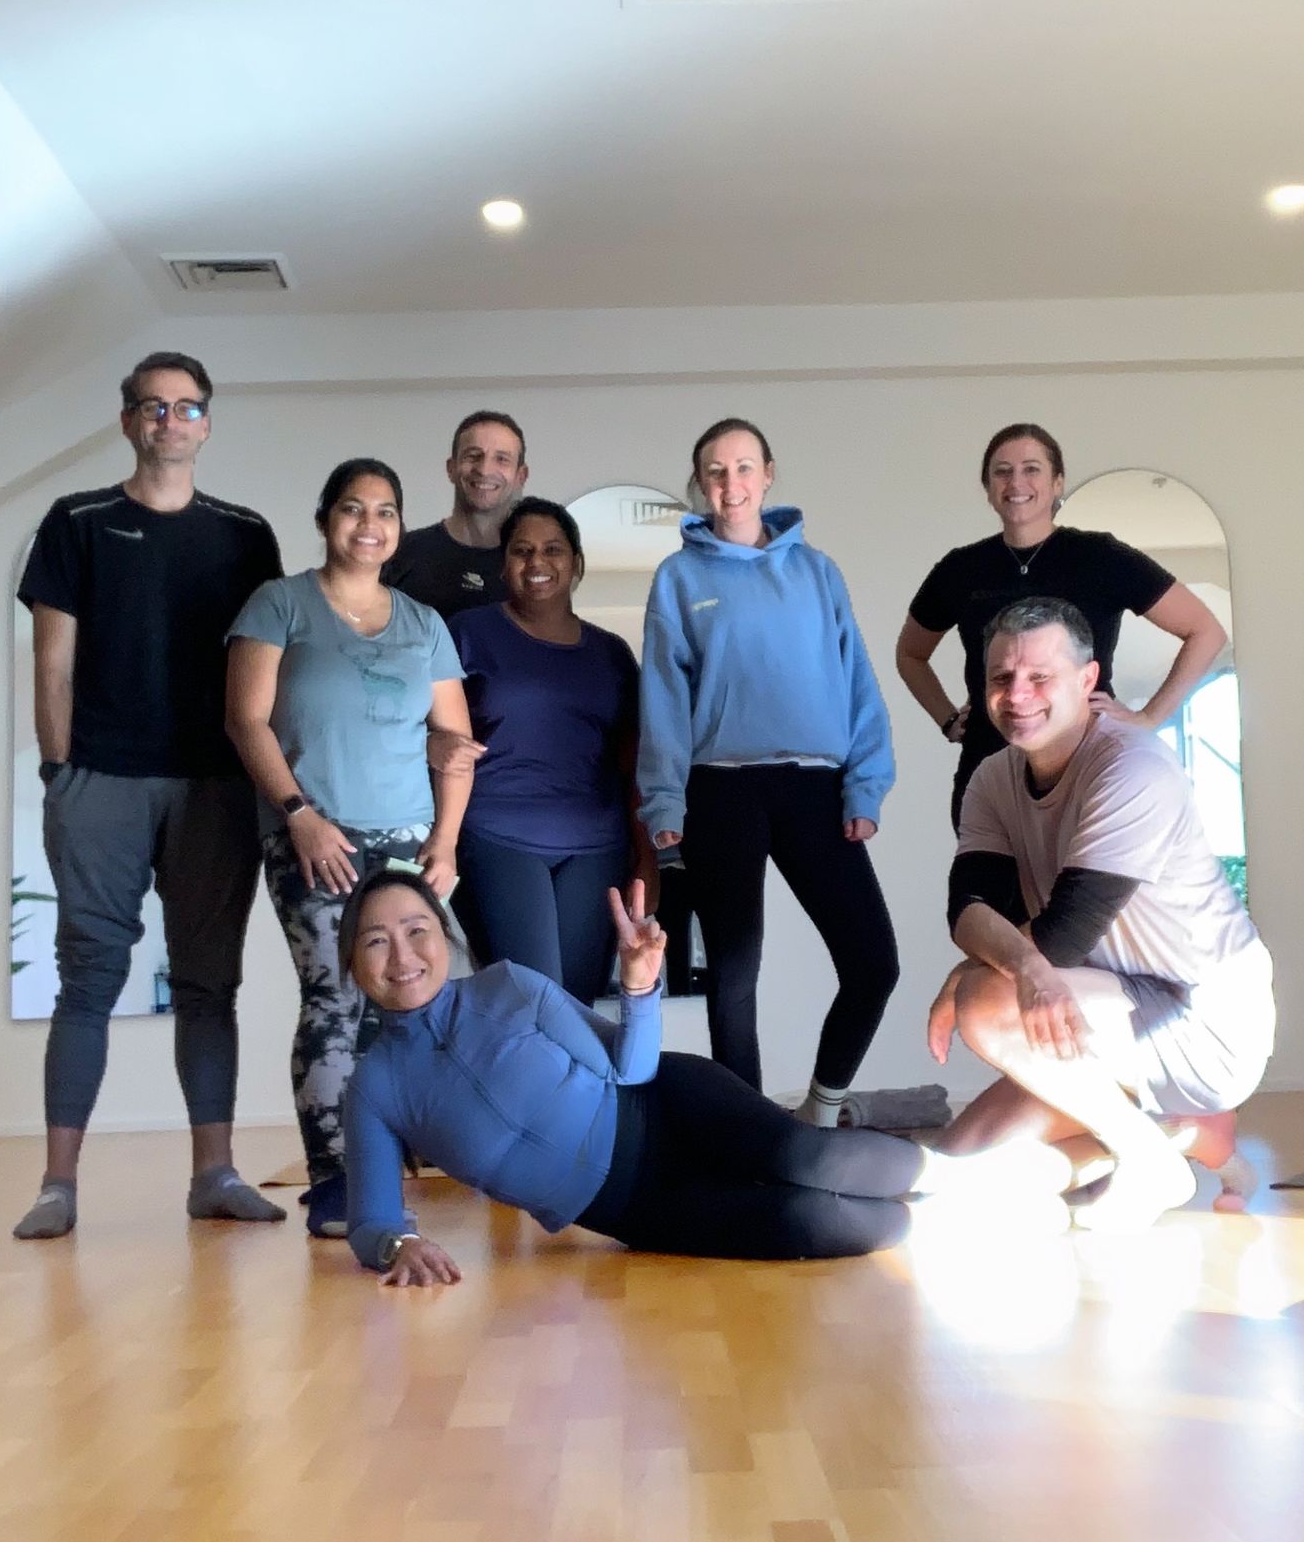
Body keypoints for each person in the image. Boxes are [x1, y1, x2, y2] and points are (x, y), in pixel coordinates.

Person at [339, 869, 926, 1283]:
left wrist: (639, 986)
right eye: (376, 941)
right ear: (353, 963)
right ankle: (929, 1220)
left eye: (416, 929)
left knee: (808, 1159)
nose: (402, 956)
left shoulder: (508, 985)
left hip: (670, 1106)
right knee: (807, 1221)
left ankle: (943, 1171)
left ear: (444, 934)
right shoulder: (375, 1087)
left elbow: (631, 1067)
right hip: (636, 1206)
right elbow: (372, 1222)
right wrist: (399, 1246)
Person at [13, 353, 285, 1240]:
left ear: (208, 423)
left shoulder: (246, 535)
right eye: (154, 407)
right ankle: (58, 1186)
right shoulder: (78, 522)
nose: (170, 420)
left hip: (216, 787)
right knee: (88, 980)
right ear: (128, 420)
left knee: (209, 984)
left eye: (187, 406)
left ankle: (215, 1173)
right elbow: (52, 663)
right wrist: (60, 772)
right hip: (101, 782)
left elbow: (265, 667)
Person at [930, 595, 1273, 1229]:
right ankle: (1186, 1136)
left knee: (985, 998)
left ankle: (1150, 1157)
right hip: (1097, 1004)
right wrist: (983, 957)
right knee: (956, 1166)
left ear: (1088, 680)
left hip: (1203, 1018)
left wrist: (981, 969)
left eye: (1040, 677)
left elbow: (1061, 937)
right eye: (1002, 677)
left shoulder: (1133, 767)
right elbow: (969, 910)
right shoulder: (992, 778)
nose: (1017, 694)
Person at [226, 458, 475, 1237]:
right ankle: (335, 1182)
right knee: (335, 999)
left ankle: (399, 1166)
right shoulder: (280, 604)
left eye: (386, 511)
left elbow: (455, 743)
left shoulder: (422, 623)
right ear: (325, 518)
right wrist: (298, 814)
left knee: (412, 1000)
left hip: (407, 838)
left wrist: (445, 843)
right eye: (353, 508)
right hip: (314, 833)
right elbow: (245, 721)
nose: (370, 525)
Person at [638, 418, 900, 1125]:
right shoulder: (679, 577)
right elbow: (663, 697)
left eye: (744, 467)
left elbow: (857, 681)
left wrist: (865, 784)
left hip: (815, 785)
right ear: (702, 483)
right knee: (733, 974)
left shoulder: (817, 571)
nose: (732, 484)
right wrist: (663, 803)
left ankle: (820, 1111)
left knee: (873, 963)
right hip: (719, 788)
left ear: (768, 474)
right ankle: (746, 1132)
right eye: (716, 471)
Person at [897, 422, 1228, 826]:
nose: (1016, 482)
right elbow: (910, 654)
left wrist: (1148, 719)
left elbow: (1205, 631)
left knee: (1085, 869)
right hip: (988, 764)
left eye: (1031, 469)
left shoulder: (1101, 557)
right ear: (988, 488)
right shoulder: (960, 569)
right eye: (1002, 471)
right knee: (983, 868)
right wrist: (948, 719)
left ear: (1057, 483)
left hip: (1088, 762)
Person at [451, 497, 653, 1002]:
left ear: (576, 564)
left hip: (598, 845)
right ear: (503, 565)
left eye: (553, 550)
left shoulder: (611, 653)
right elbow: (428, 725)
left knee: (580, 1005)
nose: (536, 562)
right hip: (498, 833)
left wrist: (647, 858)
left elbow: (633, 762)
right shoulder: (468, 633)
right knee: (533, 1001)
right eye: (522, 551)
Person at [382, 408, 528, 620]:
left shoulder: (531, 565)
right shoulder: (401, 552)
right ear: (451, 468)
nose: (484, 469)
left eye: (502, 459)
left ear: (521, 475)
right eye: (473, 456)